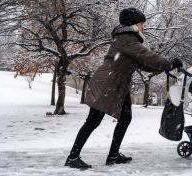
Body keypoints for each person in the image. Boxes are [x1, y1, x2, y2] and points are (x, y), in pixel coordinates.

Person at [64, 7, 183, 169]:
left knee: (125, 118)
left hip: (119, 84)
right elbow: (147, 56)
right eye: (141, 24)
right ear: (133, 23)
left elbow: (143, 63)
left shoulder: (129, 40)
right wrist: (167, 63)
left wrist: (166, 67)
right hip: (107, 83)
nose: (143, 27)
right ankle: (72, 157)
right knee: (93, 121)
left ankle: (113, 155)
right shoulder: (127, 38)